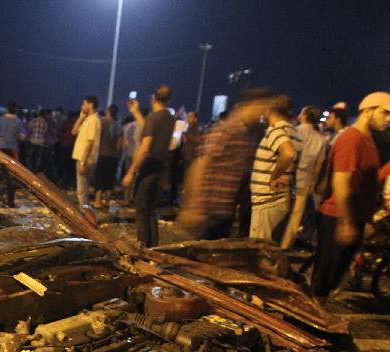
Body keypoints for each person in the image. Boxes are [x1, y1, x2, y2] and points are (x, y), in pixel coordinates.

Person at [310, 91, 390, 301]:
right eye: (385, 113)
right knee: (324, 280)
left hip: (352, 218)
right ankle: (304, 325)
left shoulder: (367, 139)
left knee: (332, 278)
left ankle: (315, 320)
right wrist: (346, 222)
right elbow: (341, 183)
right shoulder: (352, 139)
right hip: (337, 217)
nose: (389, 119)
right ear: (368, 112)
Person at [177, 89, 271, 240]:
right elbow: (200, 165)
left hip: (223, 212)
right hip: (207, 211)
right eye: (261, 108)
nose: (263, 113)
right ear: (250, 105)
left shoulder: (245, 134)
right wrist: (192, 206)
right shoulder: (226, 130)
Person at [123, 85, 174, 247]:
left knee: (142, 209)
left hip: (149, 168)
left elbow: (145, 147)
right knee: (151, 210)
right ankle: (153, 249)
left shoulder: (154, 117)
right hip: (162, 169)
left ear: (153, 98)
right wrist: (136, 112)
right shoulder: (169, 118)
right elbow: (150, 128)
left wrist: (131, 172)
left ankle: (142, 248)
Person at [249, 95, 301, 241]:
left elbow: (288, 154)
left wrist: (274, 177)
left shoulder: (275, 130)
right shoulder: (294, 132)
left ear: (270, 109)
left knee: (259, 249)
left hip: (267, 200)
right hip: (280, 198)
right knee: (270, 248)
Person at [280, 106, 326, 247]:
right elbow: (318, 164)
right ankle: (285, 245)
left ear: (304, 115)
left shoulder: (293, 131)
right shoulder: (320, 139)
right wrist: (312, 182)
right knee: (296, 214)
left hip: (286, 177)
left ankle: (271, 241)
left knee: (281, 211)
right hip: (304, 180)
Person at [0, 102, 26, 207]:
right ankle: (10, 202)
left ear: (7, 109)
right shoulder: (18, 121)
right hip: (12, 151)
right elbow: (22, 137)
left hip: (0, 149)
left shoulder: (1, 119)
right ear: (16, 110)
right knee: (12, 177)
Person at [71, 96, 101, 207]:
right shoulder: (87, 120)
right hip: (83, 159)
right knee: (83, 191)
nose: (81, 106)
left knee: (82, 192)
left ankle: (84, 219)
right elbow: (73, 132)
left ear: (90, 105)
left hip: (86, 160)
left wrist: (83, 162)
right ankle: (85, 217)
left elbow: (90, 142)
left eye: (84, 104)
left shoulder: (93, 120)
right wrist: (80, 118)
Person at [93, 104, 122, 206]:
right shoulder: (118, 125)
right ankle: (107, 201)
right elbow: (119, 144)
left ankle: (97, 201)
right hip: (113, 156)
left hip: (102, 154)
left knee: (100, 177)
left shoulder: (102, 122)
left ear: (108, 112)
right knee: (110, 178)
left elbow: (97, 138)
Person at [25, 108, 54, 174]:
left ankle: (30, 168)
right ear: (44, 115)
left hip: (33, 140)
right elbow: (45, 132)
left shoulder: (33, 120)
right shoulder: (45, 122)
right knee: (38, 157)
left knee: (31, 155)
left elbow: (29, 128)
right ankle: (35, 170)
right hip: (41, 142)